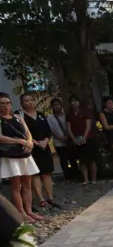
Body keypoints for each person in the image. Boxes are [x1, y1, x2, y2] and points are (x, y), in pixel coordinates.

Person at [0, 92, 42, 222]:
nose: (6, 105)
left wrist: (29, 142)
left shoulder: (18, 117)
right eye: (2, 103)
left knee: (27, 184)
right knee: (16, 186)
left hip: (24, 153)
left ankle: (29, 211)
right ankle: (21, 213)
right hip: (11, 155)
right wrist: (19, 141)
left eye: (8, 103)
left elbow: (27, 132)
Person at [19, 93, 57, 207]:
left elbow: (48, 130)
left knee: (47, 173)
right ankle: (41, 199)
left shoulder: (40, 114)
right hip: (32, 148)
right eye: (26, 101)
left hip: (44, 147)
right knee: (35, 173)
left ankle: (50, 197)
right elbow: (23, 133)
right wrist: (35, 142)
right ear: (22, 104)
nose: (30, 102)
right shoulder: (21, 116)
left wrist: (45, 141)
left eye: (31, 100)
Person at [67, 95, 98, 185]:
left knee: (92, 159)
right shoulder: (69, 115)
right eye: (72, 101)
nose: (74, 103)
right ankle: (85, 179)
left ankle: (94, 179)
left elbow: (88, 126)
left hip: (88, 138)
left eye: (76, 101)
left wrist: (84, 138)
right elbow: (69, 128)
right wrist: (74, 139)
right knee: (82, 161)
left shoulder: (85, 112)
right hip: (76, 139)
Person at [47, 98, 79, 183]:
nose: (57, 106)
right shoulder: (50, 117)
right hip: (58, 142)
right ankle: (68, 177)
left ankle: (76, 175)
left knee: (72, 159)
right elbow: (51, 129)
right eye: (54, 105)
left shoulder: (67, 115)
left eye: (58, 104)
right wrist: (59, 137)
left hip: (69, 140)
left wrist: (69, 136)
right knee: (63, 160)